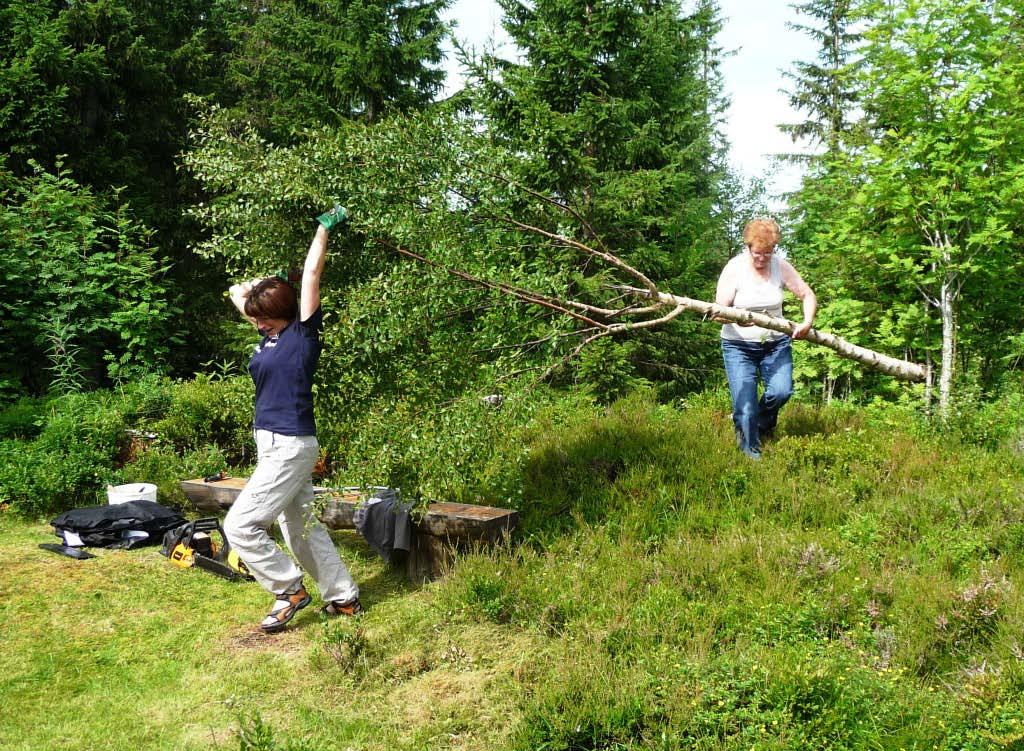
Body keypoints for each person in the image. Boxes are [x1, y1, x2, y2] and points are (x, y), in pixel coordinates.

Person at [224, 205, 362, 633]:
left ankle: (288, 590)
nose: (256, 322)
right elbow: (235, 291)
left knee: (241, 525)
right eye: (256, 316)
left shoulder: (302, 334)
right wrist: (259, 289)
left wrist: (323, 229)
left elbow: (311, 275)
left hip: (290, 444)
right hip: (272, 443)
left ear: (282, 314)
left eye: (263, 316)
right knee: (300, 528)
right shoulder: (268, 334)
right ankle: (343, 598)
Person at [715, 218, 816, 459]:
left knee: (782, 391)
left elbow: (807, 294)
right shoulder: (734, 268)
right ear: (748, 247)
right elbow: (718, 311)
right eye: (757, 253)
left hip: (776, 343)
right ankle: (751, 452)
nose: (762, 259)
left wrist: (806, 322)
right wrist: (736, 319)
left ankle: (760, 424)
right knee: (745, 405)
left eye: (768, 253)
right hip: (738, 345)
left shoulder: (780, 266)